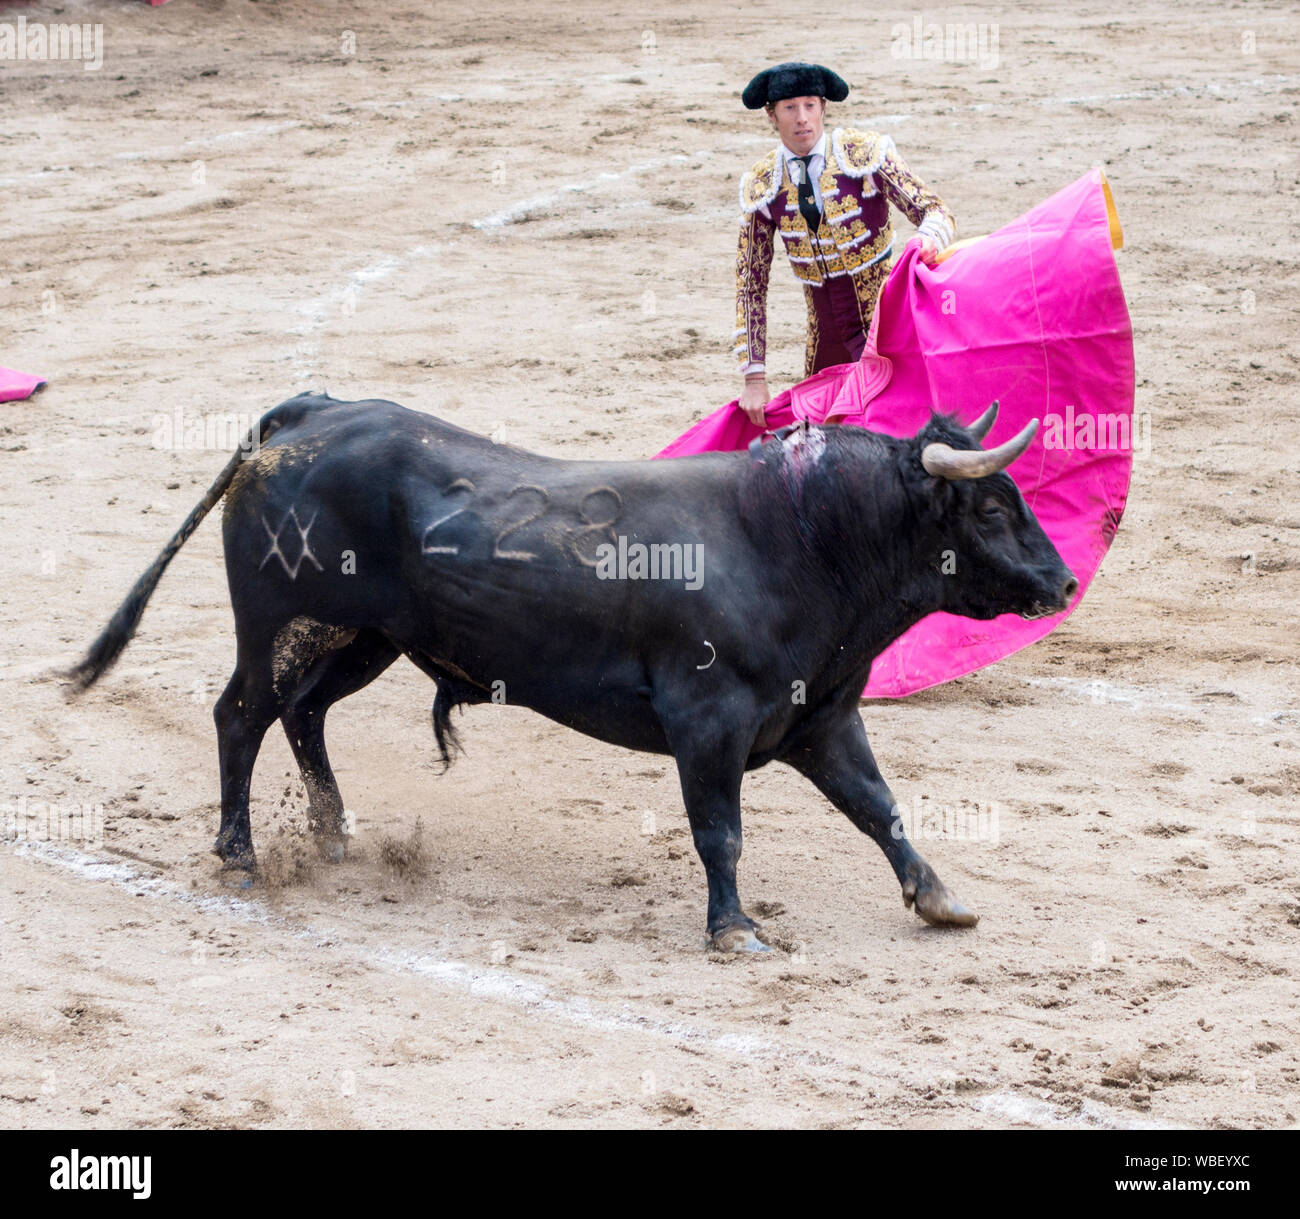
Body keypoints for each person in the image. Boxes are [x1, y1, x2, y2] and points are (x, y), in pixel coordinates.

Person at [734, 61, 956, 424]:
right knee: (823, 438)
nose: (802, 118)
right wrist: (754, 378)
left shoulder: (862, 154)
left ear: (823, 107)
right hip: (827, 338)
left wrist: (923, 242)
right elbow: (750, 283)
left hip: (889, 326)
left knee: (913, 426)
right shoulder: (763, 184)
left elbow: (935, 210)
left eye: (810, 105)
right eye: (790, 108)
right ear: (772, 115)